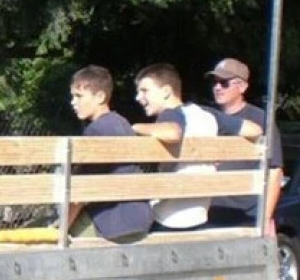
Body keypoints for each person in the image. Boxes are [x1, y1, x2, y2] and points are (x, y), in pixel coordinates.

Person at [133, 62, 267, 231]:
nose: (138, 97)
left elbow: (173, 133)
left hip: (167, 218)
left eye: (145, 91)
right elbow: (254, 129)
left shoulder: (169, 114)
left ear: (166, 91)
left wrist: (134, 128)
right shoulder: (206, 113)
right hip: (199, 217)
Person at [66, 65, 152, 242]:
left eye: (79, 96)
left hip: (111, 222)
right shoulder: (122, 123)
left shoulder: (96, 130)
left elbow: (80, 191)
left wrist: (61, 227)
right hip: (140, 218)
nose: (73, 102)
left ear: (100, 97)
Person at [205, 58, 284, 234]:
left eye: (224, 83)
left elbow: (274, 173)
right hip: (209, 215)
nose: (217, 87)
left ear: (242, 87)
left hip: (246, 217)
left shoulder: (261, 120)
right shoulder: (206, 118)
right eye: (215, 82)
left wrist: (264, 219)